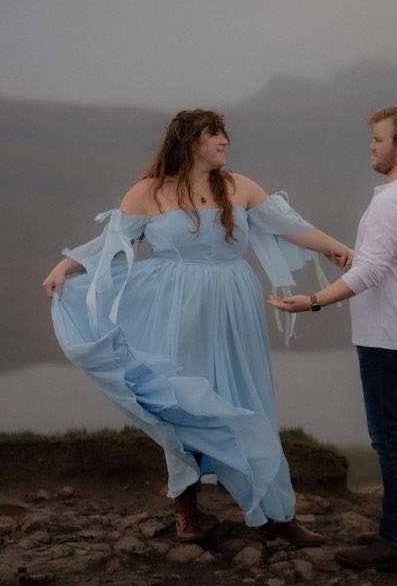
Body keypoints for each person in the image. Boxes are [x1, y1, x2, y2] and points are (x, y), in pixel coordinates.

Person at [43, 109, 352, 546]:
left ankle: (276, 513)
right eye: (214, 134)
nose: (225, 141)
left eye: (223, 133)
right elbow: (113, 244)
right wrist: (65, 266)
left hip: (233, 305)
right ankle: (185, 504)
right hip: (175, 308)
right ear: (190, 142)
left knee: (249, 397)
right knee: (183, 398)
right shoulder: (148, 193)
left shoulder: (240, 187)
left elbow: (293, 227)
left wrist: (337, 250)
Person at [268, 106, 397, 572]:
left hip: (387, 336)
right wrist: (362, 261)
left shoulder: (391, 201)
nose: (371, 145)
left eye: (379, 139)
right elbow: (386, 263)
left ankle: (395, 543)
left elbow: (371, 271)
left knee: (389, 440)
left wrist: (314, 300)